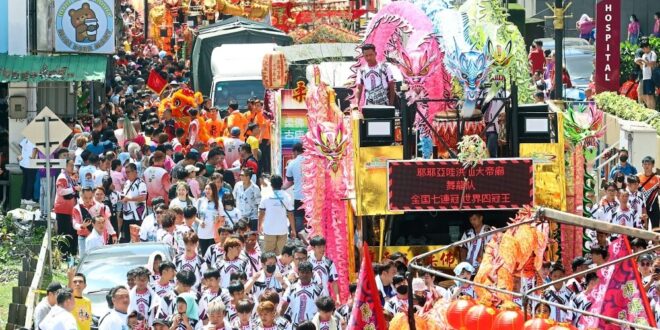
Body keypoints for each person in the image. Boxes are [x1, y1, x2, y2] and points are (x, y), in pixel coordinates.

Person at [258, 175, 296, 254]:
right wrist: (293, 229)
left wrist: (259, 225)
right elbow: (291, 214)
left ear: (271, 185)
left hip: (269, 230)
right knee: (280, 254)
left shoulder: (266, 196)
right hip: (283, 230)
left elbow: (261, 213)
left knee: (268, 255)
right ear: (281, 184)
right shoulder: (287, 196)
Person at [281, 261, 326, 328]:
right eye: (302, 272)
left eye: (307, 272)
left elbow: (324, 307)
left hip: (312, 326)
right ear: (298, 273)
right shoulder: (291, 288)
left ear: (311, 274)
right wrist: (280, 318)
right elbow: (284, 304)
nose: (305, 275)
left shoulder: (319, 289)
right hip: (294, 325)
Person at [54, 159, 79, 259]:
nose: (73, 167)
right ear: (65, 166)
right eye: (71, 165)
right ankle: (63, 254)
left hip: (70, 209)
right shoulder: (62, 177)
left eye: (73, 165)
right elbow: (61, 191)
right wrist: (73, 189)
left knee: (72, 231)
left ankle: (71, 253)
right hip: (63, 209)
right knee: (64, 232)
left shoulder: (70, 177)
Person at [308, 236, 340, 303]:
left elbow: (334, 282)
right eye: (319, 247)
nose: (323, 249)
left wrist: (337, 298)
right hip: (310, 298)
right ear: (313, 248)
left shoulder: (329, 263)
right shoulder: (307, 261)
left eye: (323, 246)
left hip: (324, 300)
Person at [282, 143, 305, 235]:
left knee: (298, 216)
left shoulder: (292, 163)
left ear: (295, 152)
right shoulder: (313, 161)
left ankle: (299, 236)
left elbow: (290, 180)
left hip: (299, 195)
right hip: (313, 196)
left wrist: (281, 188)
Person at [121, 163, 148, 243]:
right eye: (126, 172)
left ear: (135, 172)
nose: (127, 174)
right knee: (126, 238)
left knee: (137, 238)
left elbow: (143, 197)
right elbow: (124, 195)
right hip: (127, 215)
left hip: (137, 216)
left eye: (128, 172)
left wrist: (129, 199)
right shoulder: (127, 183)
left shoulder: (141, 183)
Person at [196, 182, 222, 254]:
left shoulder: (218, 203)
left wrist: (218, 219)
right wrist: (200, 222)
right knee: (204, 255)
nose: (207, 191)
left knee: (213, 256)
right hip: (202, 234)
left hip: (214, 234)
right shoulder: (200, 201)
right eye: (206, 189)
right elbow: (194, 217)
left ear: (213, 190)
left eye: (209, 189)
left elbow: (223, 218)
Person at [638, 156, 660, 229]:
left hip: (654, 208)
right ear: (642, 165)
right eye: (645, 164)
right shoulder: (637, 177)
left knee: (656, 230)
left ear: (653, 165)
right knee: (643, 229)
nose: (647, 166)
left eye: (649, 164)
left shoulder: (658, 178)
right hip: (642, 208)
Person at [636, 42, 657, 110]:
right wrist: (639, 63)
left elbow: (652, 65)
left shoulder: (652, 54)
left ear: (647, 47)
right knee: (646, 95)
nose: (643, 50)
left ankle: (653, 111)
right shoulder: (644, 55)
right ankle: (650, 110)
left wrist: (643, 60)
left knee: (650, 95)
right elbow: (643, 67)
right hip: (645, 77)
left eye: (644, 48)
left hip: (650, 77)